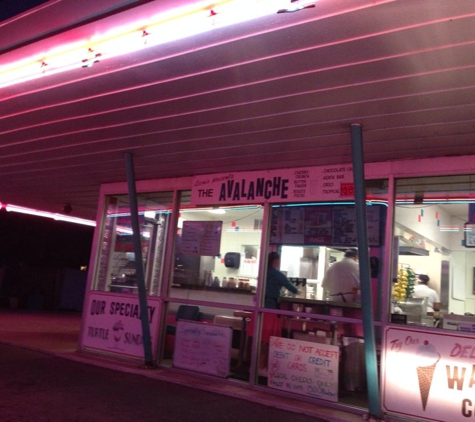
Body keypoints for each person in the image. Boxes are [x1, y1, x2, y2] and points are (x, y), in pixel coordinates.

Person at [247, 252, 299, 376]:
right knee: (266, 340)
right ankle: (260, 368)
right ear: (275, 261)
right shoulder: (278, 275)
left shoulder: (262, 273)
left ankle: (253, 367)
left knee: (257, 339)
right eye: (278, 261)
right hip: (270, 309)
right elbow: (294, 290)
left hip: (259, 307)